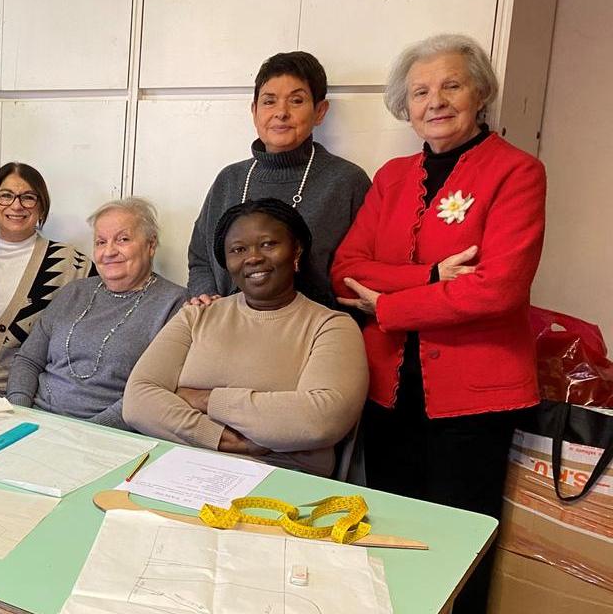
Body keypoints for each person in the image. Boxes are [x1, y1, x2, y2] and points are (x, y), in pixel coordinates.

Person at [331, 34, 545, 614]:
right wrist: (430, 277)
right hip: (389, 389)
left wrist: (388, 305)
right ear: (406, 105)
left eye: (451, 85)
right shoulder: (392, 176)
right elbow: (346, 270)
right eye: (421, 91)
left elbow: (498, 289)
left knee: (459, 541)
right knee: (391, 531)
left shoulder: (517, 172)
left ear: (479, 92)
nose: (436, 101)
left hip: (474, 397)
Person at [125, 199, 368, 476]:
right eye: (238, 250)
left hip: (283, 478)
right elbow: (138, 400)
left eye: (268, 244)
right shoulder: (197, 315)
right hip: (182, 468)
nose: (253, 257)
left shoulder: (332, 327)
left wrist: (205, 400)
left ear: (296, 250)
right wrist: (222, 438)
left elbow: (319, 420)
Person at [186, 51, 371, 308]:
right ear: (254, 111)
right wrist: (205, 295)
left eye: (296, 101)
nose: (281, 113)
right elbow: (200, 258)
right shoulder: (229, 179)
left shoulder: (346, 182)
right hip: (226, 327)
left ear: (320, 111)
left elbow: (361, 269)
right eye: (269, 101)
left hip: (311, 332)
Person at [6, 197, 187, 429]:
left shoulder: (174, 303)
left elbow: (153, 393)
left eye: (123, 239)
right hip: (33, 421)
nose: (109, 251)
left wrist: (88, 433)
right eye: (101, 242)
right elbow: (28, 360)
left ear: (151, 245)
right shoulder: (74, 292)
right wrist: (20, 412)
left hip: (104, 434)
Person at [0, 162, 93, 393]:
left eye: (28, 197)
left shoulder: (68, 262)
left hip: (28, 397)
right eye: (6, 196)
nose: (17, 205)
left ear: (41, 208)